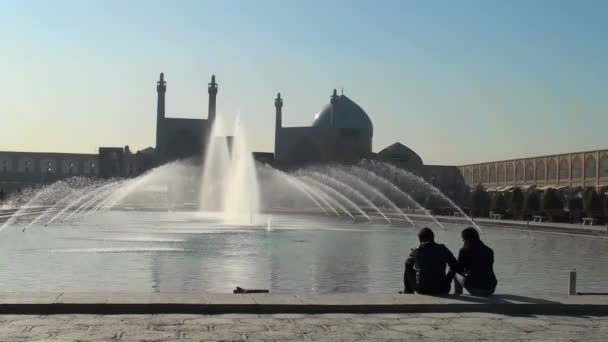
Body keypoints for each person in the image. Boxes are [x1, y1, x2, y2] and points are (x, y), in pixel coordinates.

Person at [402, 227, 457, 295]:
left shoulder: (418, 251)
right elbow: (454, 265)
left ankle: (408, 292)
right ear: (433, 238)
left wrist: (411, 256)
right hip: (443, 288)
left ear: (420, 240)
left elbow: (408, 265)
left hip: (423, 290)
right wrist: (448, 280)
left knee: (407, 264)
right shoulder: (443, 248)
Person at [454, 227, 497, 296]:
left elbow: (459, 270)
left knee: (455, 273)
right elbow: (484, 267)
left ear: (466, 239)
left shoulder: (464, 251)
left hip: (476, 289)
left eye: (463, 238)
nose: (462, 240)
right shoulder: (489, 250)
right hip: (491, 289)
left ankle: (458, 294)